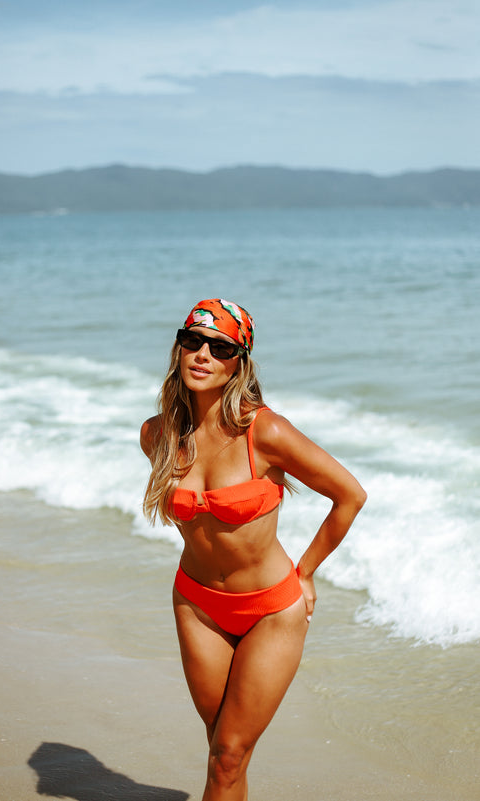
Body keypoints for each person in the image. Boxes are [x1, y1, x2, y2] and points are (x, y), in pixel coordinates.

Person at [140, 298, 366, 801]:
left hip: (270, 610)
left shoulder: (265, 431)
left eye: (220, 347)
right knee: (222, 753)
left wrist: (306, 573)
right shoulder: (157, 435)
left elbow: (350, 495)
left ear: (238, 363)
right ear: (179, 348)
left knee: (228, 755)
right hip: (197, 606)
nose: (203, 354)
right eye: (193, 341)